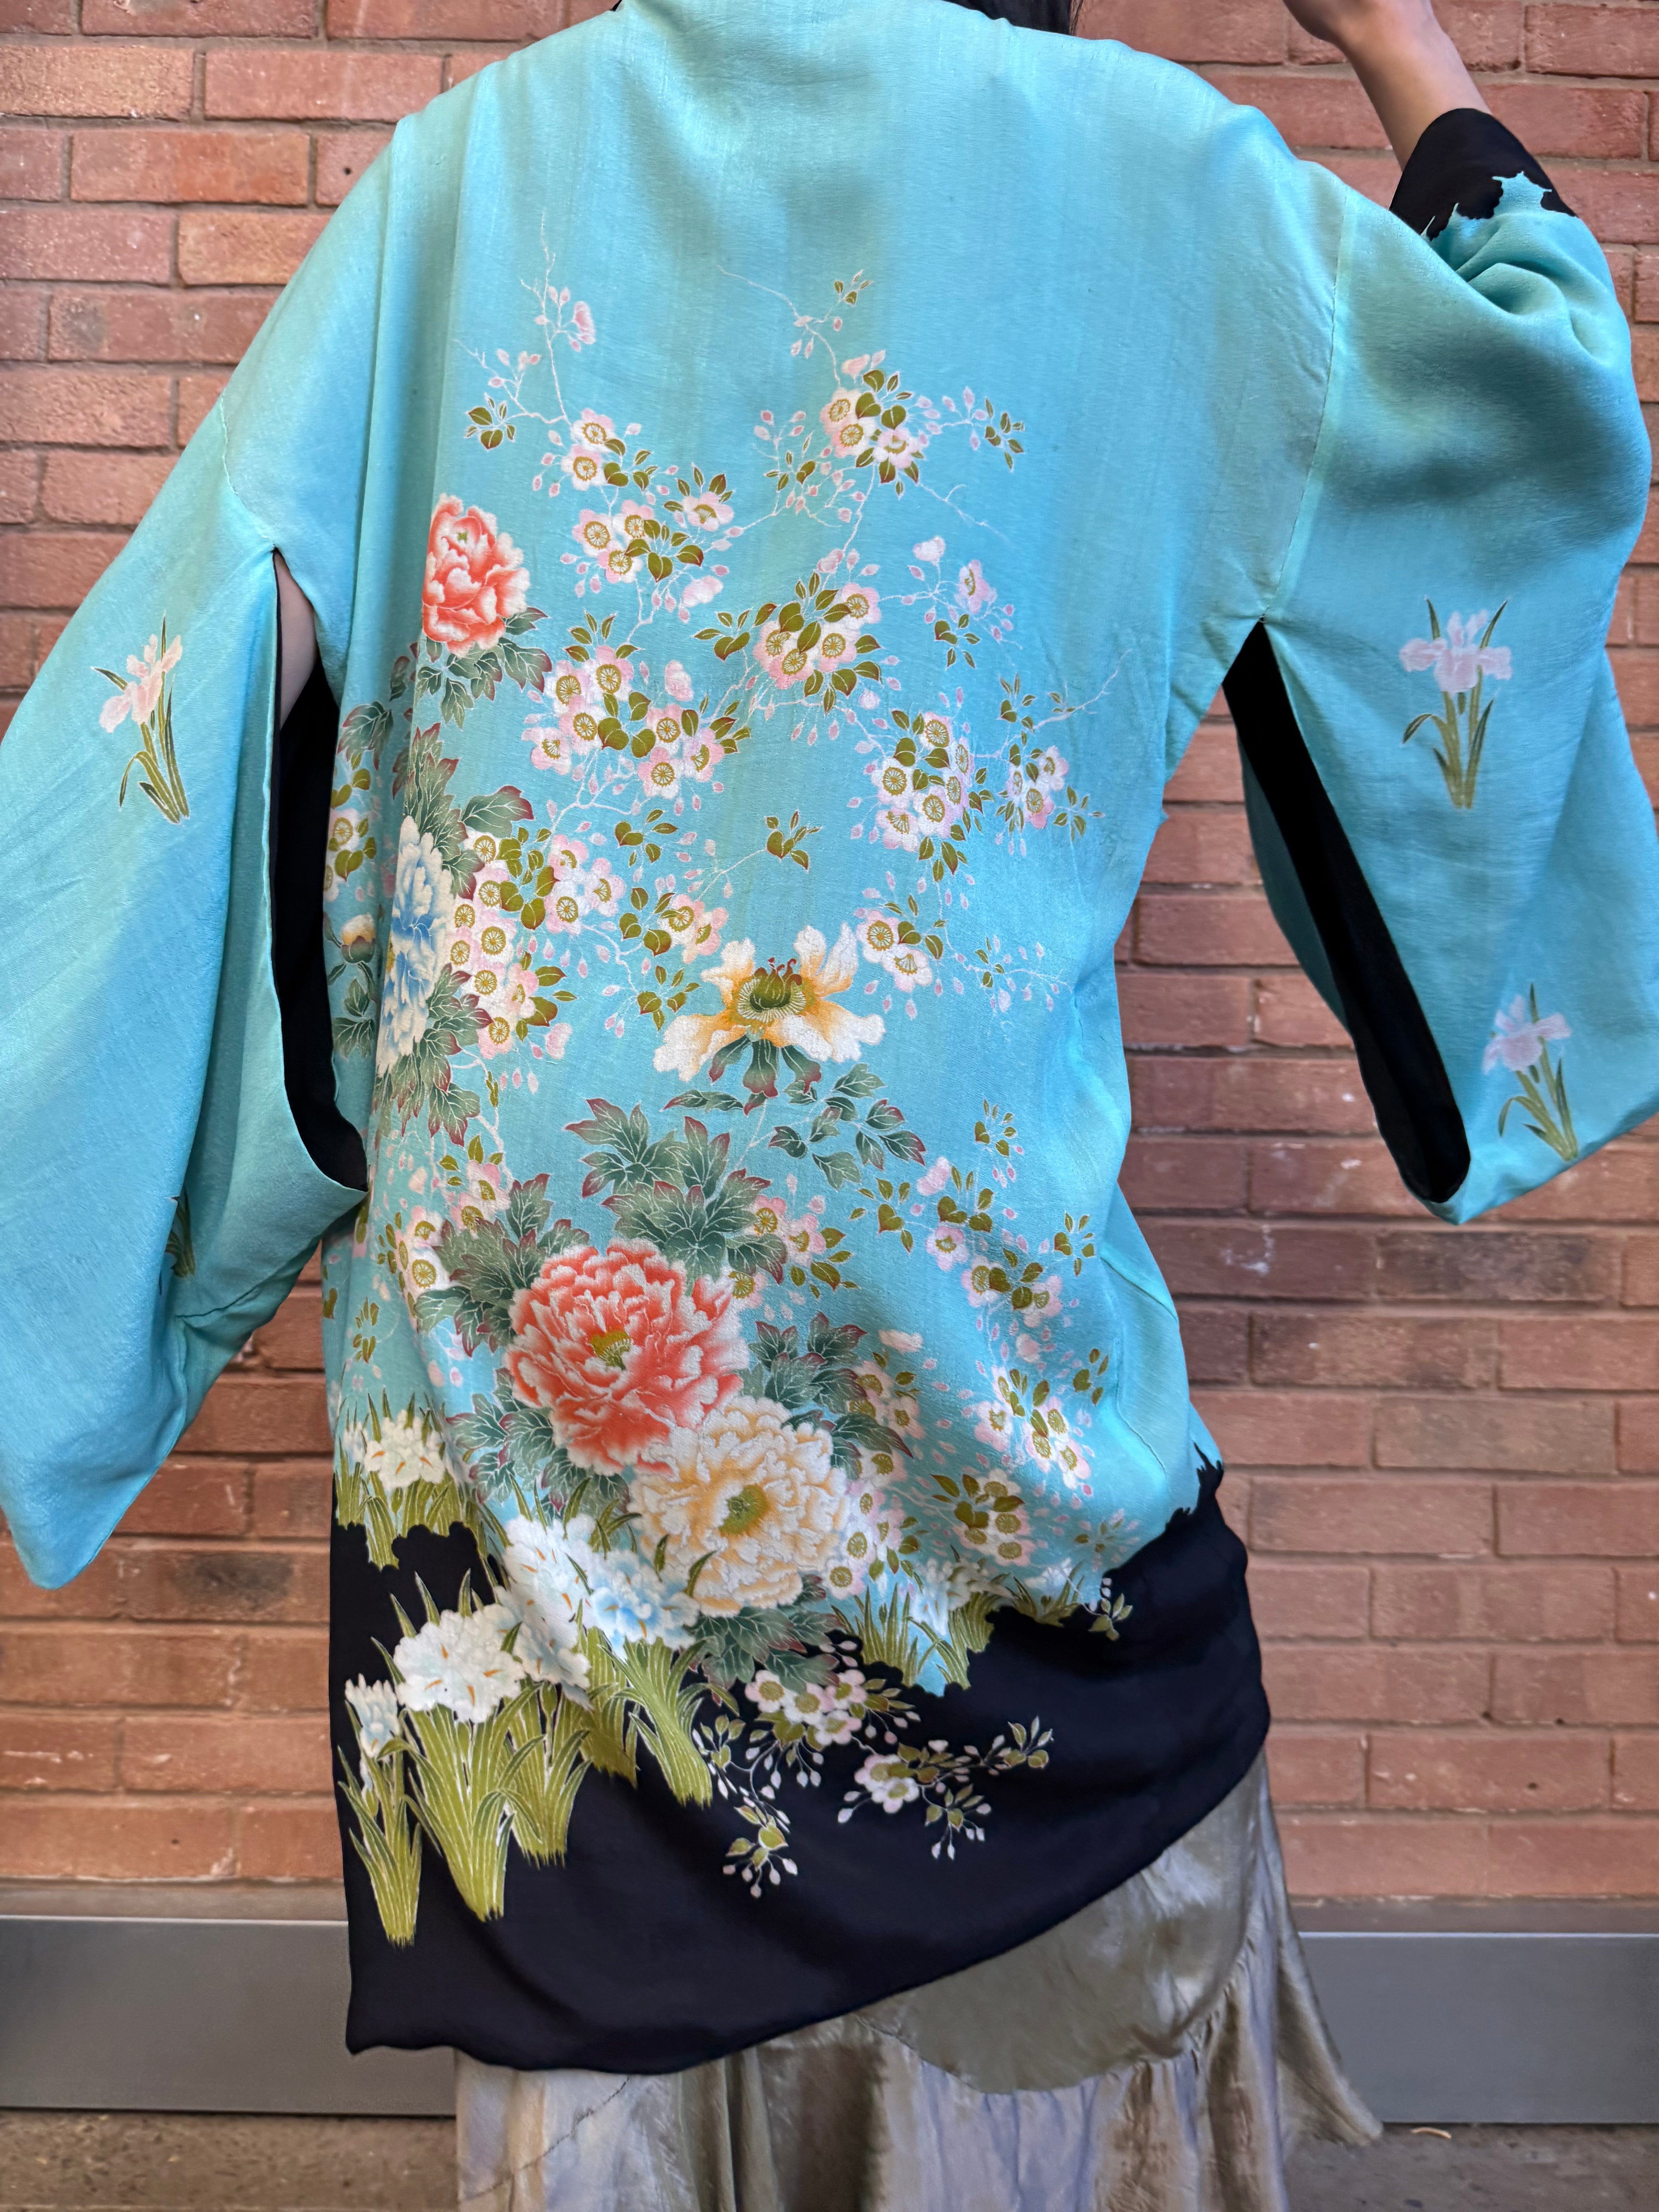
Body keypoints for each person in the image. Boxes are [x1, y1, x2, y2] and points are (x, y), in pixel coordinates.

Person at [2, 1, 1655, 2205]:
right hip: (985, 1404)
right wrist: (1393, 37)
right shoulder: (1170, 187)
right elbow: (1533, 416)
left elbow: (196, 686)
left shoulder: (463, 184)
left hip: (549, 1455)